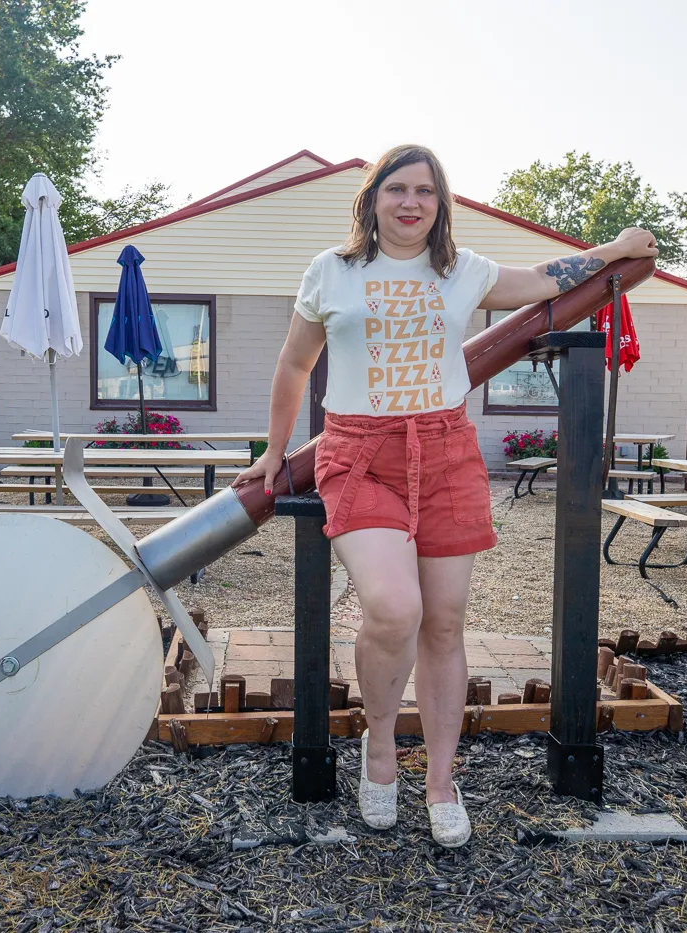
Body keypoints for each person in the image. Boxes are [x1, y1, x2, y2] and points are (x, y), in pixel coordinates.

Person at [233, 144, 658, 847]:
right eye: (395, 189)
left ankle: (438, 776)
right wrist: (275, 452)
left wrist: (613, 248)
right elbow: (294, 360)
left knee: (445, 622)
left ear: (441, 203)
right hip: (358, 453)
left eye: (424, 191)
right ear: (371, 200)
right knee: (395, 607)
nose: (410, 202)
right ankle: (377, 746)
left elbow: (548, 280)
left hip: (447, 451)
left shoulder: (463, 272)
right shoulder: (332, 271)